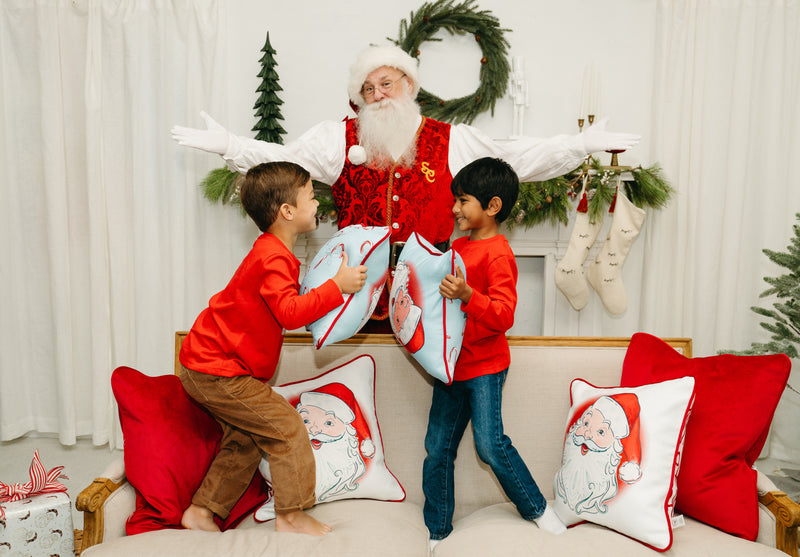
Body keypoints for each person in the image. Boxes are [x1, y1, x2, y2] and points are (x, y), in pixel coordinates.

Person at [171, 44, 640, 328]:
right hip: (353, 285)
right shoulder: (340, 137)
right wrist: (229, 145)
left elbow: (516, 158)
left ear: (409, 85)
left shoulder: (449, 139)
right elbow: (284, 160)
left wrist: (581, 145)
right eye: (368, 89)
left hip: (429, 286)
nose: (378, 96)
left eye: (387, 84)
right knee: (358, 374)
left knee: (428, 389)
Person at [177, 161, 368, 536]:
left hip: (212, 365)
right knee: (287, 428)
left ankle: (201, 512)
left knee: (247, 437)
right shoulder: (273, 257)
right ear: (287, 211)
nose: (318, 205)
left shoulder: (273, 252)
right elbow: (290, 313)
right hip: (214, 367)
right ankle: (292, 515)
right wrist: (338, 287)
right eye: (312, 197)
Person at [424, 157, 566, 548]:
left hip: (485, 367)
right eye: (455, 199)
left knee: (489, 445)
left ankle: (538, 509)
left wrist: (469, 295)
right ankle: (437, 530)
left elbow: (504, 315)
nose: (454, 208)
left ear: (492, 207)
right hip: (450, 366)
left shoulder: (498, 254)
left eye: (463, 200)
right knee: (438, 448)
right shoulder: (457, 247)